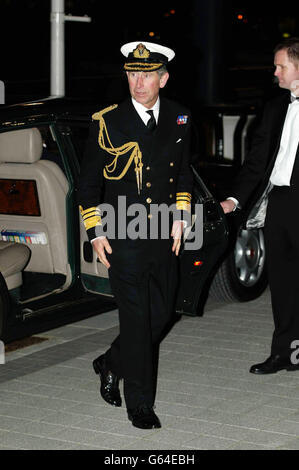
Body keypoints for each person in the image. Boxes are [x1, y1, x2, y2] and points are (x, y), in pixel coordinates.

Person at [78, 41, 193, 428]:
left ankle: (112, 360)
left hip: (164, 232)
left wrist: (180, 216)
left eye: (146, 74)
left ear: (163, 78)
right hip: (122, 233)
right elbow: (88, 184)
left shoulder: (180, 117)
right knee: (137, 321)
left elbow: (183, 174)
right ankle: (140, 404)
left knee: (162, 313)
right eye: (132, 74)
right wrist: (95, 231)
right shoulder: (107, 121)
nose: (138, 82)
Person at [221, 37, 299, 375]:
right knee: (282, 285)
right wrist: (234, 199)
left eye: (281, 65)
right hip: (280, 203)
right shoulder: (276, 107)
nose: (275, 71)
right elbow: (256, 162)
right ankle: (286, 353)